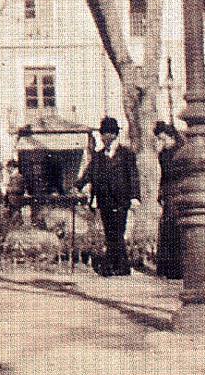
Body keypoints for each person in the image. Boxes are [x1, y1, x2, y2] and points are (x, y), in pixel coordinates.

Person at [78, 116, 140, 277]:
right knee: (109, 233)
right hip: (104, 199)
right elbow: (89, 174)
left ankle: (120, 266)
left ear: (114, 135)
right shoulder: (98, 156)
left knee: (118, 232)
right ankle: (114, 265)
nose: (106, 139)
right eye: (103, 135)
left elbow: (133, 176)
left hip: (121, 199)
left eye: (109, 135)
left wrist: (134, 197)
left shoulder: (126, 154)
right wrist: (77, 185)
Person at [153, 121, 184, 279]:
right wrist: (160, 192)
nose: (161, 142)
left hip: (178, 191)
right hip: (168, 192)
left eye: (163, 139)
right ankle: (169, 268)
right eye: (159, 139)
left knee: (176, 229)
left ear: (172, 137)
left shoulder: (181, 152)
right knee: (167, 229)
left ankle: (178, 268)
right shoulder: (163, 154)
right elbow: (164, 176)